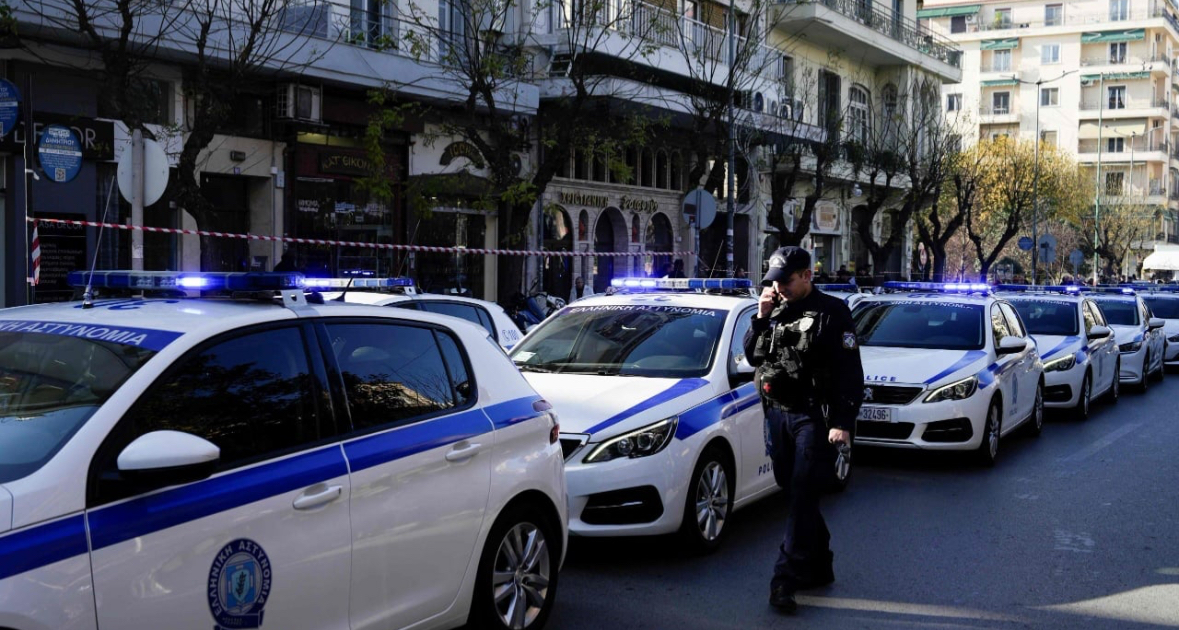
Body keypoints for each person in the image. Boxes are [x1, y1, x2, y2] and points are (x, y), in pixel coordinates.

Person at [742, 246, 864, 614]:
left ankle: (784, 578)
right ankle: (821, 561)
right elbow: (752, 356)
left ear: (807, 276)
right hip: (777, 414)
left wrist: (843, 422)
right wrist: (760, 317)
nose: (779, 288)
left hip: (813, 416)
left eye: (786, 281)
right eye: (774, 281)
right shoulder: (773, 310)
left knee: (801, 492)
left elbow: (850, 371)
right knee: (792, 487)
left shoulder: (833, 312)